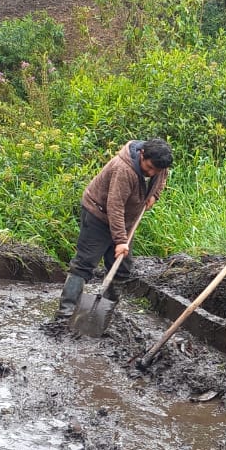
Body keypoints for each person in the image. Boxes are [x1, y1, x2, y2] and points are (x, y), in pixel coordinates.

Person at [56, 137, 173, 320]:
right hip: (98, 214)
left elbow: (162, 176)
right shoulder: (123, 169)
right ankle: (65, 313)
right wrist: (120, 240)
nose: (151, 173)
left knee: (122, 269)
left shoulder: (159, 164)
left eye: (156, 170)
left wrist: (154, 195)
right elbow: (115, 206)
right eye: (149, 167)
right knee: (84, 264)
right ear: (142, 154)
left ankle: (104, 312)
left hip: (126, 219)